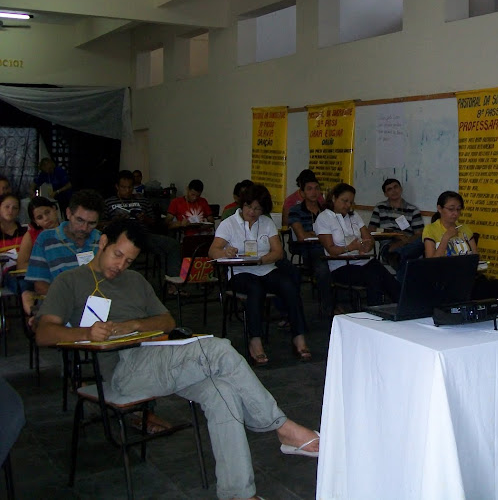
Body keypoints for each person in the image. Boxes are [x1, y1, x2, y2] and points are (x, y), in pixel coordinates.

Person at [35, 219, 319, 500]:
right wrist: (87, 332)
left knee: (224, 390)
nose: (120, 266)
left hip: (158, 360)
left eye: (129, 261)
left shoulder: (135, 281)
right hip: (122, 371)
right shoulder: (69, 281)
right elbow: (44, 333)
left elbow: (167, 320)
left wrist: (132, 325)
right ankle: (282, 428)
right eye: (117, 255)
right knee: (218, 349)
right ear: (103, 244)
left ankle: (238, 493)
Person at [210, 184, 311, 366]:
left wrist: (263, 260)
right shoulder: (229, 224)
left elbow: (278, 252)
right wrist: (226, 253)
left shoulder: (266, 222)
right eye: (249, 207)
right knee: (255, 288)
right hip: (239, 272)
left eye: (258, 209)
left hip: (265, 269)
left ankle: (299, 336)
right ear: (242, 204)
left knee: (289, 285)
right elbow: (213, 251)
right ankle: (255, 341)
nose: (253, 212)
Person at [314, 183, 400, 309]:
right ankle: (376, 311)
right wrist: (351, 247)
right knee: (374, 276)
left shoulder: (354, 216)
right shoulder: (324, 218)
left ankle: (402, 306)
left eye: (351, 202)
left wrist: (367, 245)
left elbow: (368, 238)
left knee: (383, 274)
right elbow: (331, 250)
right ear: (333, 198)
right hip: (342, 266)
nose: (348, 205)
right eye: (345, 201)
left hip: (363, 261)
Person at [423, 191, 498, 300]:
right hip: (445, 279)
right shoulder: (431, 229)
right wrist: (446, 238)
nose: (455, 213)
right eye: (451, 209)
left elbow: (475, 256)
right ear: (440, 208)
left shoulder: (464, 228)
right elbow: (430, 263)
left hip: (467, 276)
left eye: (458, 209)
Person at [104, 171, 182, 286]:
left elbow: (154, 222)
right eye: (123, 187)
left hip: (144, 236)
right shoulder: (108, 202)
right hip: (121, 239)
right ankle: (130, 286)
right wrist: (115, 221)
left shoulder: (142, 200)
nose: (127, 190)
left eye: (130, 187)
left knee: (173, 245)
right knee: (127, 251)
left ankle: (173, 284)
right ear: (117, 187)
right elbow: (101, 225)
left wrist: (144, 218)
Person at [26, 189, 104, 297]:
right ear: (68, 213)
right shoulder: (46, 240)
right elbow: (40, 285)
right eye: (79, 220)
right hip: (61, 304)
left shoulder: (102, 241)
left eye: (91, 223)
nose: (84, 228)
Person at [287, 173, 333, 316]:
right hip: (310, 250)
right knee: (323, 269)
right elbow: (301, 236)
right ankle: (328, 308)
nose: (314, 192)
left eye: (316, 189)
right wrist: (320, 235)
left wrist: (314, 234)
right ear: (302, 193)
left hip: (329, 247)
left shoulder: (326, 210)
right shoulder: (295, 211)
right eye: (309, 189)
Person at [367, 178, 424, 278]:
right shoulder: (380, 207)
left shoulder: (413, 210)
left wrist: (403, 242)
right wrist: (394, 234)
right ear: (385, 194)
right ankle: (403, 290)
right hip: (388, 245)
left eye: (395, 187)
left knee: (422, 242)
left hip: (408, 244)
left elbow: (419, 234)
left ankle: (398, 255)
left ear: (401, 189)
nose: (394, 191)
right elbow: (371, 230)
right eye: (389, 189)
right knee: (405, 261)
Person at [15, 196, 60, 319]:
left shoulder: (69, 230)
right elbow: (21, 264)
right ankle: (35, 316)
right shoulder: (31, 236)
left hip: (65, 275)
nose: (46, 219)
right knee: (26, 289)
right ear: (35, 222)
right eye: (40, 217)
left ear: (54, 209)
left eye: (48, 212)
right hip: (40, 277)